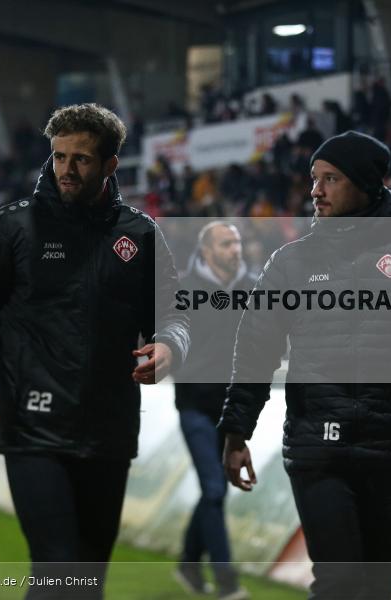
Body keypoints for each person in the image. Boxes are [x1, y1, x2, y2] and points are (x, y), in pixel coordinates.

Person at [0, 104, 190, 600]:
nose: (67, 170)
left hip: (109, 430)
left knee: (85, 585)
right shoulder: (12, 228)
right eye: (59, 157)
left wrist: (169, 347)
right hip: (33, 428)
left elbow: (175, 317)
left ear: (111, 165)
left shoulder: (139, 235)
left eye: (82, 160)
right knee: (58, 572)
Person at [218, 131, 391, 599]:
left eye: (331, 179)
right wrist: (236, 429)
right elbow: (255, 349)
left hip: (387, 449)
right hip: (317, 448)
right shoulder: (289, 263)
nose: (315, 191)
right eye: (314, 179)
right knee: (340, 583)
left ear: (365, 184)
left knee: (378, 589)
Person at [174, 222, 253, 600]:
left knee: (214, 490)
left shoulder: (254, 287)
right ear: (206, 251)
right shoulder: (183, 289)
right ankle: (227, 582)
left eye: (237, 242)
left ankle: (189, 562)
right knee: (213, 487)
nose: (235, 249)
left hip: (233, 410)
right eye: (226, 243)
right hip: (195, 406)